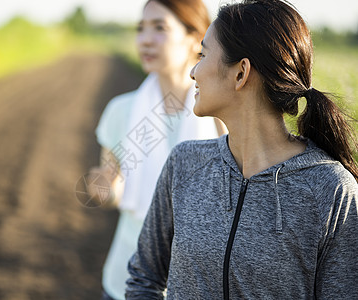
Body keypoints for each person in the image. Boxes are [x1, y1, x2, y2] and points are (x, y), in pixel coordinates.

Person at [126, 0, 358, 299]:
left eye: (203, 54)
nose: (193, 71)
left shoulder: (331, 191)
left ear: (241, 73)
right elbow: (144, 278)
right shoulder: (184, 164)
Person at [88, 0, 227, 299]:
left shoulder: (221, 112)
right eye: (141, 29)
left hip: (199, 284)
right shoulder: (120, 111)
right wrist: (105, 191)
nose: (145, 39)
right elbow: (115, 193)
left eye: (160, 28)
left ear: (195, 39)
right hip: (126, 278)